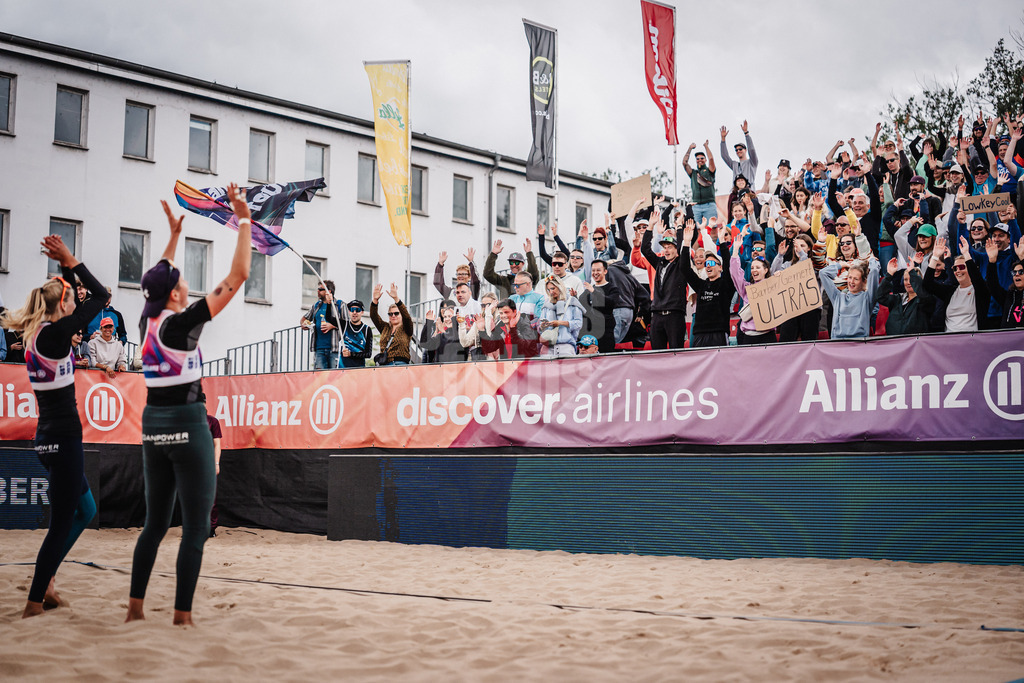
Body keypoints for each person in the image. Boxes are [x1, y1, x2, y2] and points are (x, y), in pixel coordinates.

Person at [127, 183, 252, 626]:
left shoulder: (148, 319)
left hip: (152, 423)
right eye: (180, 279)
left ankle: (135, 611)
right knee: (195, 527)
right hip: (187, 421)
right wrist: (243, 221)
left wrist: (175, 235)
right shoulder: (181, 325)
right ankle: (181, 617)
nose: (183, 280)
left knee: (155, 525)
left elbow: (158, 276)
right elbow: (237, 278)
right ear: (176, 294)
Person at [2, 234, 107, 618]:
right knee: (63, 522)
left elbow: (78, 297)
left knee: (85, 509)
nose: (75, 299)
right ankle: (33, 602)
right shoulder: (58, 335)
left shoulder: (43, 334)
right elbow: (99, 296)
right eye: (69, 297)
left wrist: (65, 268)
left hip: (50, 437)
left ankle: (45, 582)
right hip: (62, 439)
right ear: (62, 304)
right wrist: (73, 261)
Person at [681, 226, 736, 347]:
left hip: (719, 333)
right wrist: (686, 243)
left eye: (711, 263)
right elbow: (684, 269)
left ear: (720, 267)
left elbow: (729, 267)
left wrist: (722, 242)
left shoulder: (726, 284)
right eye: (706, 264)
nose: (708, 266)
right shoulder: (701, 285)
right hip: (700, 333)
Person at [922, 237, 989, 333]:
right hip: (949, 341)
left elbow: (977, 278)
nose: (958, 271)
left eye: (962, 267)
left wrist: (966, 254)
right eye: (955, 268)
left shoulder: (980, 290)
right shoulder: (950, 291)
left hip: (972, 341)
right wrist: (935, 257)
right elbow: (927, 284)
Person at [729, 226, 776, 345]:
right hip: (749, 337)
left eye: (758, 267)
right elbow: (735, 272)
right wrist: (735, 250)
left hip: (768, 335)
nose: (754, 270)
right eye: (753, 267)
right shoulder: (746, 288)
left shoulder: (773, 285)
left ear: (766, 270)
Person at [820, 257, 881, 339]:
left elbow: (874, 271)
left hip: (859, 342)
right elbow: (823, 273)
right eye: (850, 277)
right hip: (838, 343)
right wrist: (840, 265)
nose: (851, 282)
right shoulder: (838, 297)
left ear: (863, 282)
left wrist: (871, 260)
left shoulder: (867, 298)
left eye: (856, 279)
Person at [874, 261, 934, 335]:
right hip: (894, 342)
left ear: (917, 280)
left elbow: (923, 296)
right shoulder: (898, 298)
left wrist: (912, 272)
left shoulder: (924, 299)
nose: (908, 282)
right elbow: (880, 296)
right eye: (905, 279)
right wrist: (889, 274)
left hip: (916, 343)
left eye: (911, 279)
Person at [579, 260, 621, 353]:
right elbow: (582, 306)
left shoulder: (612, 288)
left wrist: (594, 292)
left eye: (598, 270)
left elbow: (611, 302)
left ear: (605, 271)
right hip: (590, 334)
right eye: (593, 270)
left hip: (605, 333)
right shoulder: (588, 290)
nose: (595, 273)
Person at [538, 275, 584, 357]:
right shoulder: (546, 304)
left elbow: (578, 324)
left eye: (553, 288)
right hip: (548, 348)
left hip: (566, 347)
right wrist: (542, 326)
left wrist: (560, 323)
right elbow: (540, 327)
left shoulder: (572, 301)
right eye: (548, 290)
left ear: (560, 287)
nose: (551, 292)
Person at [300, 279, 341, 370]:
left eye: (320, 289)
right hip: (319, 349)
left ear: (328, 291)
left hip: (334, 348)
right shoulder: (317, 305)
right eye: (318, 289)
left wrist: (332, 325)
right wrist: (305, 324)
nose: (318, 291)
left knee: (334, 377)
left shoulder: (339, 305)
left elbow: (346, 324)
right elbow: (304, 318)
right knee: (320, 378)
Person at [369, 282, 413, 365]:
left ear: (401, 314)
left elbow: (407, 317)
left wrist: (396, 299)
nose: (393, 316)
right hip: (384, 364)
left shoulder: (406, 328)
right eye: (390, 314)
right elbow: (373, 316)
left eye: (396, 313)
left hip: (400, 364)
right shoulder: (385, 327)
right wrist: (375, 300)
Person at [683, 140, 718, 224]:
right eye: (697, 159)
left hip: (709, 204)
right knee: (696, 229)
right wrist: (689, 149)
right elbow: (684, 163)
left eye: (702, 158)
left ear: (705, 160)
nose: (699, 160)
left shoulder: (710, 171)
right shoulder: (693, 173)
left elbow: (711, 159)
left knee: (711, 228)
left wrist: (706, 146)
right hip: (696, 205)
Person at [339, 299, 373, 369]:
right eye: (352, 309)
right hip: (343, 369)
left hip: (359, 370)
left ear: (362, 312)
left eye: (357, 310)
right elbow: (329, 318)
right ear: (349, 312)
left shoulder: (366, 329)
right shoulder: (344, 325)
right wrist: (330, 301)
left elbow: (368, 354)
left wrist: (351, 354)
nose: (354, 312)